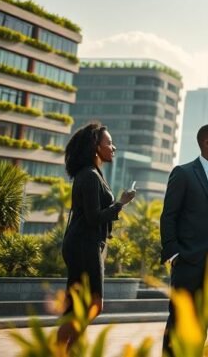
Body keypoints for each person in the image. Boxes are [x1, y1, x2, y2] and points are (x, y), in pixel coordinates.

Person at [160, 124, 208, 357]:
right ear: (207, 143)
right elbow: (169, 216)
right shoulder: (184, 173)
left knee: (204, 318)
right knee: (180, 318)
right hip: (189, 257)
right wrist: (174, 253)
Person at [56, 123, 136, 349]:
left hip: (85, 243)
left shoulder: (92, 173)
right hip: (84, 244)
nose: (114, 147)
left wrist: (118, 204)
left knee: (77, 307)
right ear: (95, 147)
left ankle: (68, 351)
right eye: (108, 143)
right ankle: (60, 350)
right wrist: (120, 203)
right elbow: (93, 218)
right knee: (92, 305)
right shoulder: (90, 175)